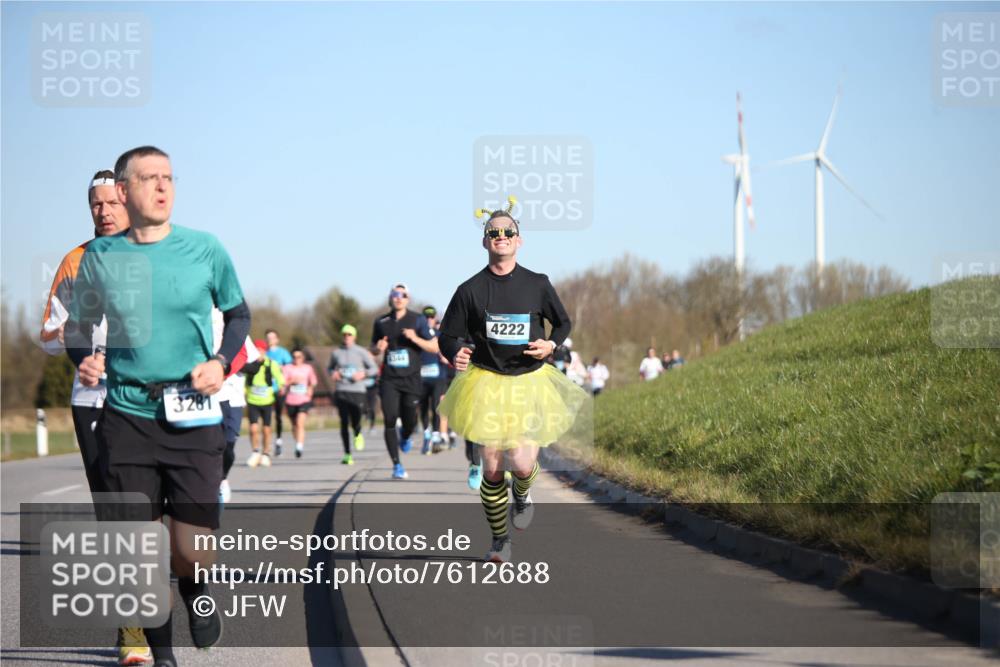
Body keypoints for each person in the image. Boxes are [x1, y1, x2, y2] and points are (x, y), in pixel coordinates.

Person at [66, 146, 251, 666]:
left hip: (192, 414)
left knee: (191, 549)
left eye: (168, 177)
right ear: (124, 191)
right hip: (127, 413)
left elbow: (239, 316)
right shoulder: (101, 258)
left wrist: (220, 363)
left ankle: (196, 590)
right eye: (149, 178)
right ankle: (163, 656)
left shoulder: (205, 249)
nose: (162, 187)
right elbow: (79, 327)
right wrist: (82, 359)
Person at [40, 170, 152, 666]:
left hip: (148, 400)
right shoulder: (74, 260)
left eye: (111, 202)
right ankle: (132, 631)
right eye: (95, 205)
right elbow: (47, 332)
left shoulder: (157, 254)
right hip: (92, 401)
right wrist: (78, 346)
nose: (103, 211)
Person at [439, 195, 589, 562]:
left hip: (529, 381)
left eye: (508, 231)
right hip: (487, 383)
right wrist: (454, 349)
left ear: (519, 240)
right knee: (491, 469)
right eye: (494, 232)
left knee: (521, 464)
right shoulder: (469, 290)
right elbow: (447, 334)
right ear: (485, 240)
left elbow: (564, 322)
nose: (501, 236)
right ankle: (499, 540)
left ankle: (522, 493)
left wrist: (551, 344)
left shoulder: (537, 283)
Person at [372, 283, 439, 479]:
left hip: (412, 379)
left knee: (410, 419)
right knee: (390, 419)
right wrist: (378, 348)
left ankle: (407, 435)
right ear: (390, 297)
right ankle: (397, 465)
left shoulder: (417, 320)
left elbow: (434, 348)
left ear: (408, 299)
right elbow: (373, 348)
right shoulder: (381, 322)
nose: (398, 297)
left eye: (402, 294)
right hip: (389, 379)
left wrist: (415, 338)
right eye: (395, 294)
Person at [328, 324, 378, 464]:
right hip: (341, 389)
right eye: (344, 335)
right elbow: (330, 368)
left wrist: (364, 374)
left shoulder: (361, 352)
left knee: (356, 418)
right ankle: (347, 454)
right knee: (343, 422)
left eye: (349, 335)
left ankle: (357, 433)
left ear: (354, 336)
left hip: (357, 390)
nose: (346, 337)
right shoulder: (336, 352)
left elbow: (374, 369)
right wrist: (333, 373)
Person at [245, 339, 284, 467]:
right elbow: (244, 381)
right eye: (256, 350)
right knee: (253, 428)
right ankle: (255, 451)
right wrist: (244, 393)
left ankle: (266, 453)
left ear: (264, 351)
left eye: (260, 350)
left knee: (266, 429)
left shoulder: (271, 364)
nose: (258, 353)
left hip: (267, 401)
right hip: (252, 400)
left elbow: (280, 380)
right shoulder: (249, 364)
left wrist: (273, 390)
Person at [418, 305, 447, 455]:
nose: (429, 319)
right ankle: (426, 433)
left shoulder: (440, 335)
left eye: (431, 317)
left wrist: (445, 357)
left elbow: (450, 355)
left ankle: (436, 435)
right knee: (423, 407)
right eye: (426, 317)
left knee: (436, 405)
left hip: (438, 378)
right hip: (422, 377)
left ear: (435, 318)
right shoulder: (418, 337)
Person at [282, 347, 317, 458]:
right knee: (294, 425)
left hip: (304, 399)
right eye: (294, 357)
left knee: (300, 422)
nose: (296, 359)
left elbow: (313, 381)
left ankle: (299, 446)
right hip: (291, 400)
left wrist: (310, 388)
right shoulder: (287, 368)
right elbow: (282, 382)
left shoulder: (308, 368)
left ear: (303, 358)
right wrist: (291, 381)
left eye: (299, 357)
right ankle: (297, 442)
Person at [265, 329, 293, 455]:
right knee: (266, 418)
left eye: (272, 337)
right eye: (268, 337)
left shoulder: (283, 353)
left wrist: (285, 384)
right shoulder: (264, 353)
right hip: (266, 390)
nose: (270, 340)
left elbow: (290, 370)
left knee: (278, 416)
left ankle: (279, 441)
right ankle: (267, 444)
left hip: (279, 388)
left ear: (277, 339)